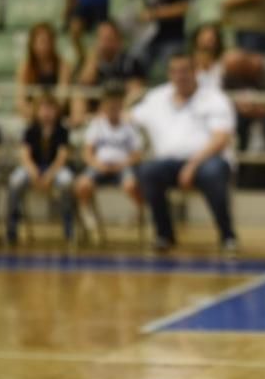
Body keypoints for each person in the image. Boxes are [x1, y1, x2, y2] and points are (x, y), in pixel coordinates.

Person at [131, 52, 237, 253]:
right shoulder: (156, 97)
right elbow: (128, 117)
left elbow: (221, 138)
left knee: (213, 173)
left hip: (207, 160)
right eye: (175, 71)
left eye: (185, 71)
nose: (180, 76)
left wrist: (193, 165)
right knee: (148, 171)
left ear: (194, 72)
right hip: (169, 163)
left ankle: (227, 235)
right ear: (169, 74)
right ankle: (164, 235)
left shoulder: (214, 98)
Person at [74, 83, 143, 246]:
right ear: (104, 106)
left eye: (116, 105)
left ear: (121, 105)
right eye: (109, 105)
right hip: (100, 166)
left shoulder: (129, 125)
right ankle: (88, 217)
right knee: (82, 184)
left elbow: (138, 154)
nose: (113, 108)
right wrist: (97, 164)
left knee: (131, 185)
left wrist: (123, 164)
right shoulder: (97, 124)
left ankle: (137, 214)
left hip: (123, 166)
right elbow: (87, 152)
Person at [6, 93, 74, 245]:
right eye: (43, 108)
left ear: (57, 111)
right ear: (37, 111)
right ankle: (12, 227)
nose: (47, 112)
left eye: (50, 108)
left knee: (66, 181)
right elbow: (25, 155)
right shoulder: (30, 130)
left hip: (54, 169)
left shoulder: (62, 131)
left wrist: (49, 175)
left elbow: (62, 157)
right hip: (33, 168)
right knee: (15, 181)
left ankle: (69, 227)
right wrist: (33, 171)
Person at [69, 19, 145, 124]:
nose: (105, 43)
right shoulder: (92, 60)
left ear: (118, 41)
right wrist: (92, 60)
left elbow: (136, 91)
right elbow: (85, 83)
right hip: (96, 110)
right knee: (78, 94)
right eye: (101, 38)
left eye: (109, 38)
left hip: (121, 110)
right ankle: (79, 130)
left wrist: (109, 108)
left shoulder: (130, 62)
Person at [15, 22, 72, 118]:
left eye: (47, 42)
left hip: (55, 112)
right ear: (32, 44)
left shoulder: (63, 66)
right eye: (41, 42)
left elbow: (62, 98)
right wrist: (35, 111)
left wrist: (48, 110)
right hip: (33, 112)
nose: (44, 46)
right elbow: (20, 100)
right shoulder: (25, 67)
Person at [191, 22, 226, 89]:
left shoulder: (224, 62)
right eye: (204, 34)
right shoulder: (188, 63)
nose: (209, 37)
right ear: (196, 38)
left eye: (213, 35)